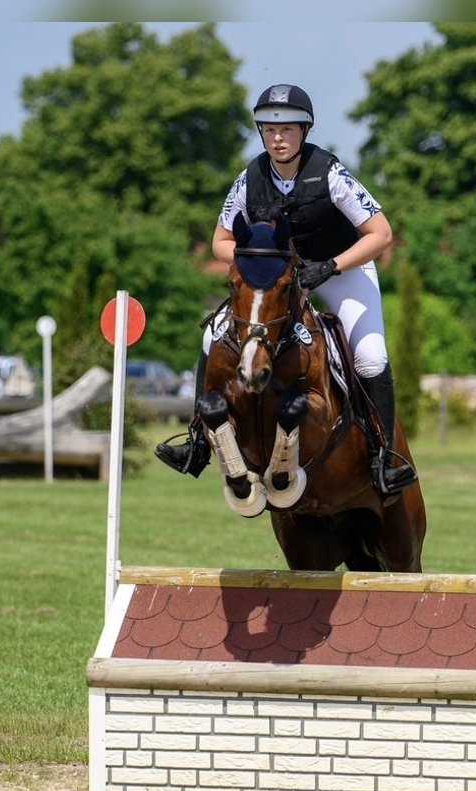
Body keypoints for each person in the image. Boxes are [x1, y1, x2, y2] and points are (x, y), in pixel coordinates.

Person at [157, 83, 417, 497]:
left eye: (288, 129)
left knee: (369, 357)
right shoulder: (250, 178)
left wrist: (330, 266)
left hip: (342, 270)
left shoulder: (330, 174)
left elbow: (380, 233)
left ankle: (384, 457)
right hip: (281, 282)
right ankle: (197, 442)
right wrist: (258, 264)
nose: (278, 138)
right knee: (211, 334)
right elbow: (220, 242)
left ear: (305, 131)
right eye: (269, 129)